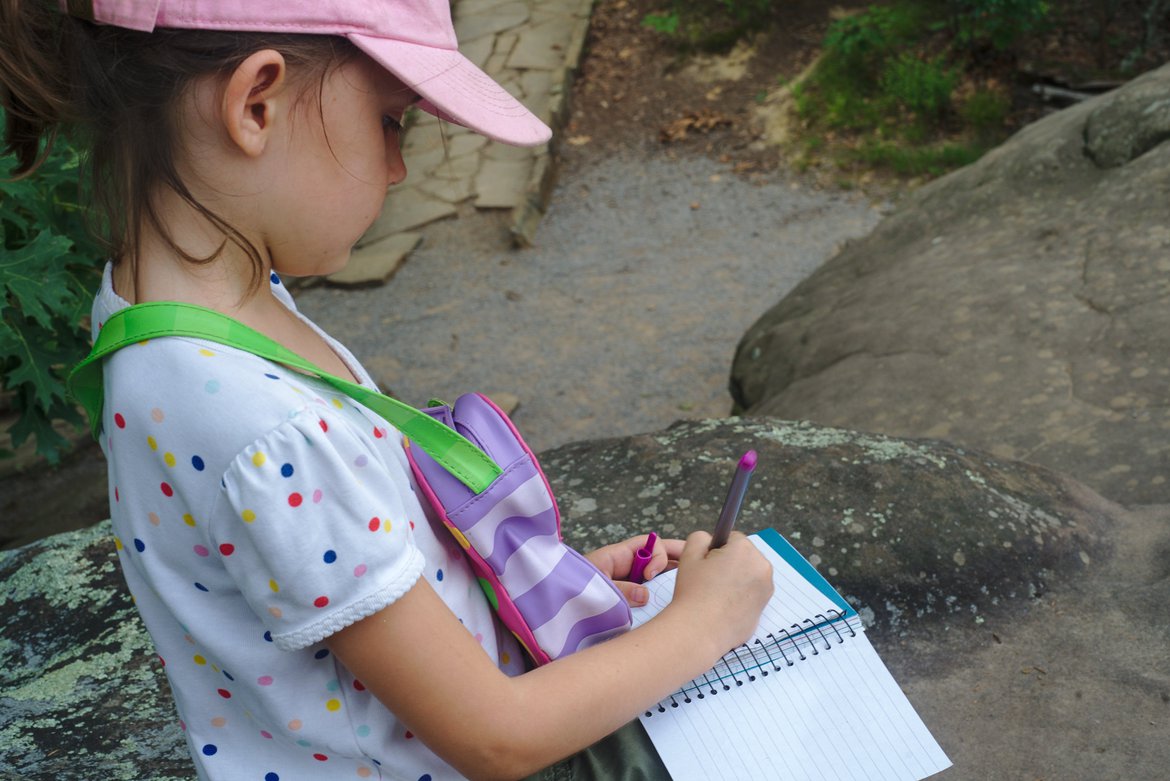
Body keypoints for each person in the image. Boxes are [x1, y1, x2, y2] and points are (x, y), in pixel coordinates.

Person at [0, 1, 774, 779]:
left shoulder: (184, 314)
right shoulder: (264, 424)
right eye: (389, 120)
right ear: (256, 104)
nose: (399, 167)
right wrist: (704, 624)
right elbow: (498, 736)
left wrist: (532, 591)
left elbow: (351, 566)